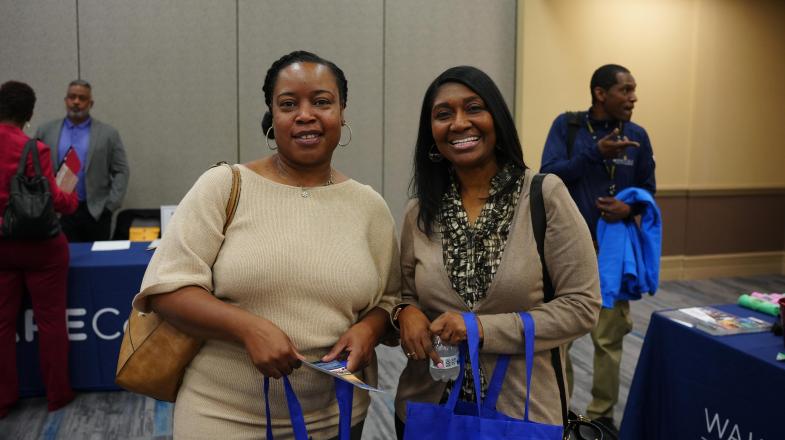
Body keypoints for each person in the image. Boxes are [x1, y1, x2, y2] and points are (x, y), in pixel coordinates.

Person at [132, 51, 400, 440]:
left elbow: (389, 300)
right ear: (272, 116)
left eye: (322, 102)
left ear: (341, 113)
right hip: (223, 417)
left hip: (337, 417)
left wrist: (370, 330)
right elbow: (167, 288)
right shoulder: (224, 185)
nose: (305, 115)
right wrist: (247, 328)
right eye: (288, 104)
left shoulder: (369, 205)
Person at [392, 66, 601, 438]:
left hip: (521, 414)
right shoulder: (419, 211)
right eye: (443, 114)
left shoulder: (544, 195)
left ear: (497, 120)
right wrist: (405, 311)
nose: (459, 123)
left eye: (474, 108)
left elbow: (582, 306)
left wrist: (481, 328)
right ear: (431, 134)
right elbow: (405, 294)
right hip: (431, 409)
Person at [540, 63, 656, 434]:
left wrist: (630, 208)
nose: (633, 97)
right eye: (626, 90)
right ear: (601, 93)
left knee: (609, 338)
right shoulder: (569, 127)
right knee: (561, 338)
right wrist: (595, 153)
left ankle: (602, 415)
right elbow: (549, 174)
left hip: (613, 254)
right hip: (567, 253)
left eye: (634, 90)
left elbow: (647, 189)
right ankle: (560, 409)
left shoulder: (637, 135)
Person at [0, 80, 78, 418]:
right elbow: (55, 200)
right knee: (50, 322)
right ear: (29, 114)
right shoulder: (34, 149)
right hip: (41, 248)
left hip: (2, 246)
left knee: (2, 325)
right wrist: (71, 192)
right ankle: (57, 394)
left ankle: (4, 398)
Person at [35, 80, 129, 242]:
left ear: (90, 103)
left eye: (82, 98)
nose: (76, 102)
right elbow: (35, 168)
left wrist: (110, 205)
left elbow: (121, 170)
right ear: (66, 100)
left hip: (95, 211)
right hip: (57, 211)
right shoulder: (46, 131)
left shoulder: (108, 133)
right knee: (63, 262)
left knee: (98, 263)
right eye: (72, 97)